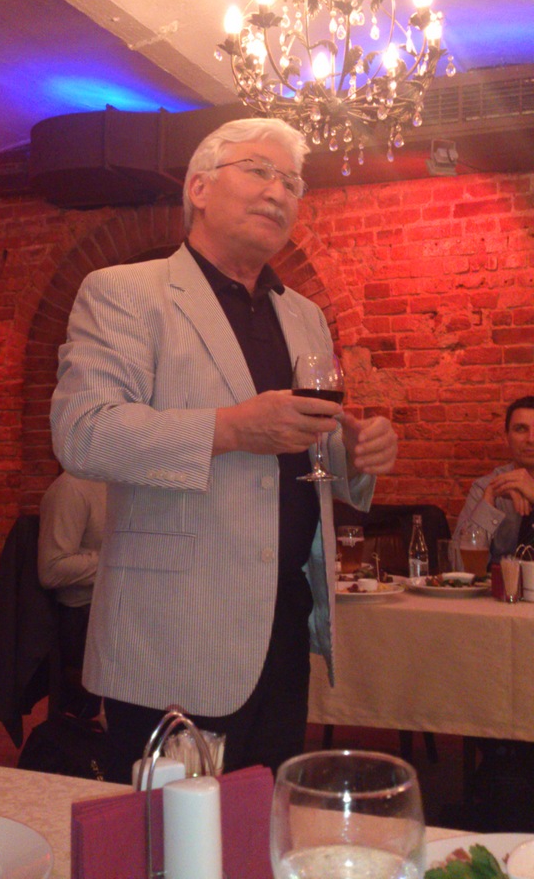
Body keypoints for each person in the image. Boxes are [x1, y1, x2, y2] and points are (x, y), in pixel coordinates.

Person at [50, 117, 398, 781]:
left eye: (292, 182)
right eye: (259, 171)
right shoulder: (126, 292)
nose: (279, 191)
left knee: (263, 818)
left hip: (284, 623)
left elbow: (299, 448)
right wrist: (230, 429)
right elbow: (83, 432)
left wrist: (352, 452)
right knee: (170, 832)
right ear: (200, 188)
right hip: (174, 633)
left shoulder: (304, 316)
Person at [38, 470, 106, 716]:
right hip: (83, 618)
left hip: (114, 611)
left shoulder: (121, 484)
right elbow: (51, 569)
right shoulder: (72, 488)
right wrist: (116, 563)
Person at [452, 396, 534, 562]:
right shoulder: (486, 486)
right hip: (499, 579)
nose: (531, 439)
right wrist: (489, 498)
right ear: (506, 437)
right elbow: (459, 564)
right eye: (520, 429)